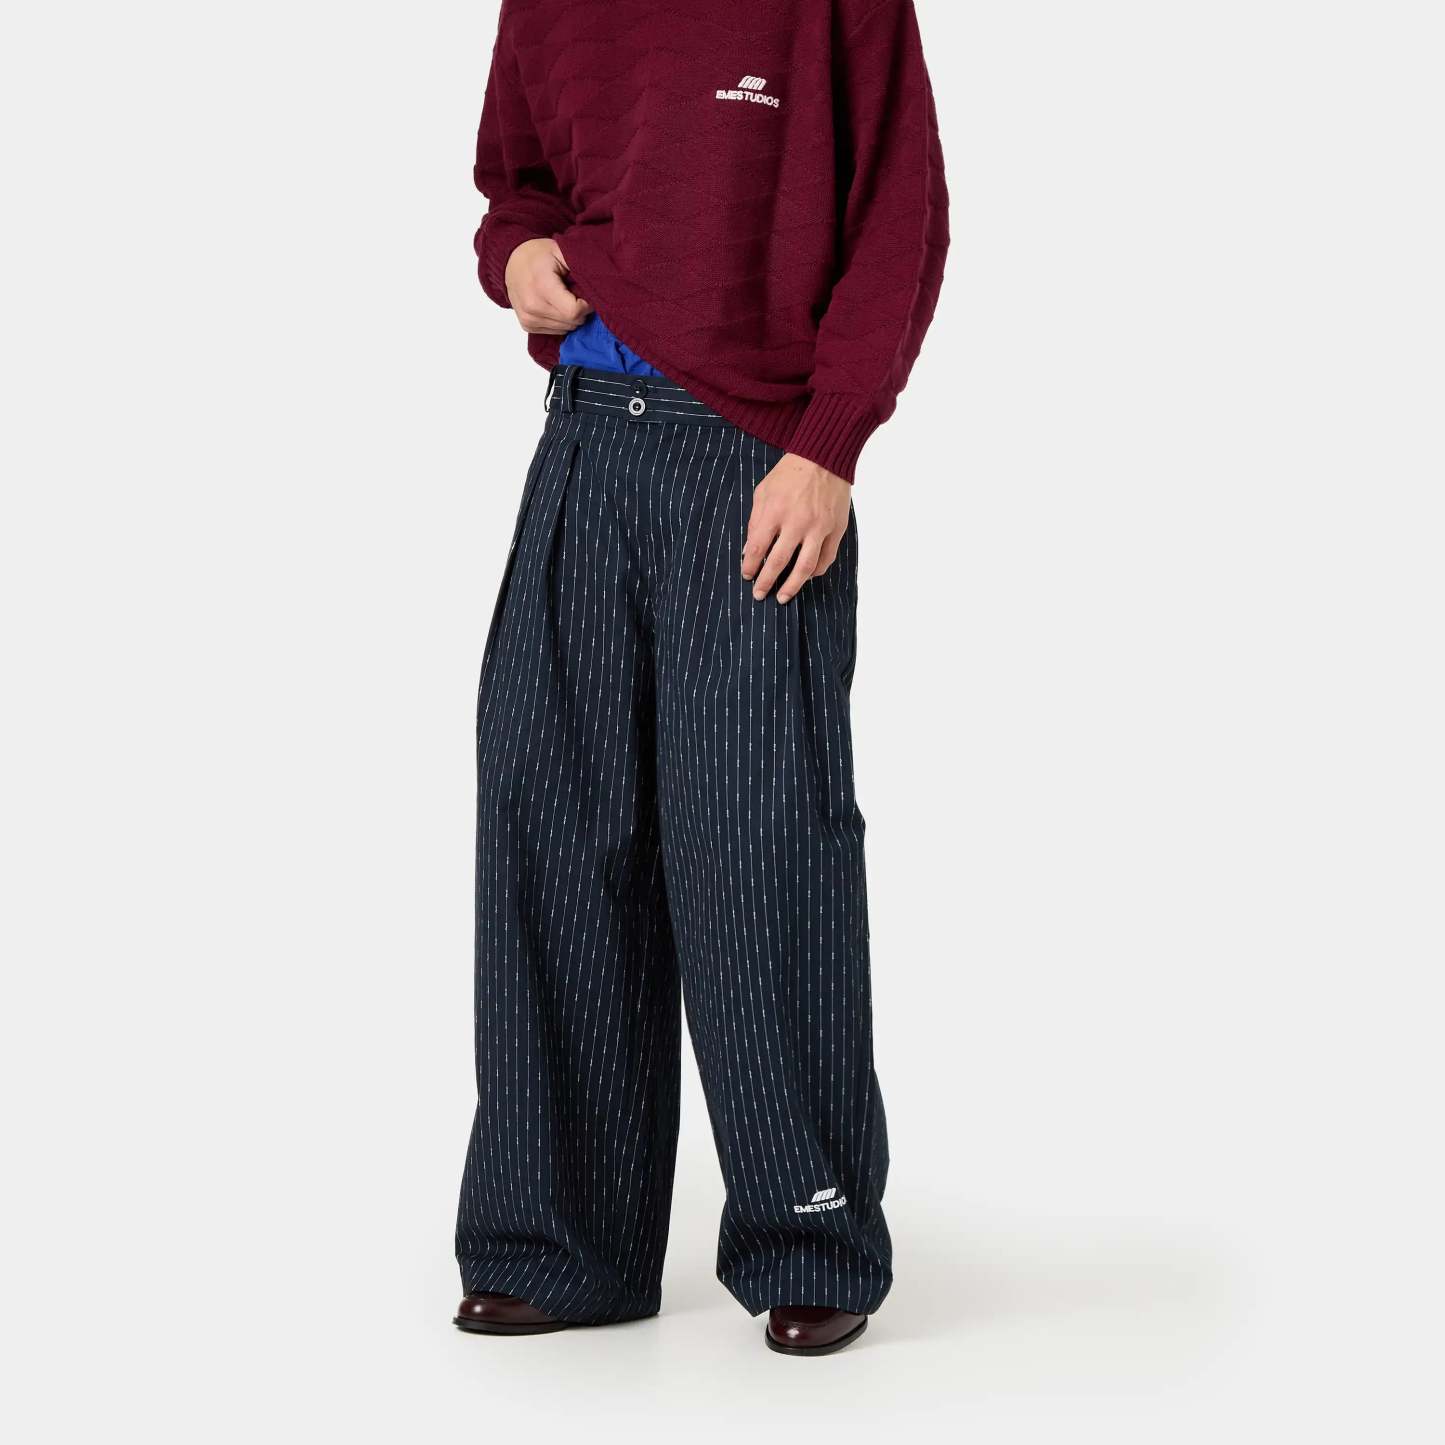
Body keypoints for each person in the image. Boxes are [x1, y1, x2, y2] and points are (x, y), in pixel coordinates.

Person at [453, 0, 948, 1357]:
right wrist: (519, 257)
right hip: (581, 440)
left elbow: (900, 216)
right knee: (551, 829)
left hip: (752, 453)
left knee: (759, 846)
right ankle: (560, 1246)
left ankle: (809, 1235)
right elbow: (517, 184)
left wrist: (829, 445)